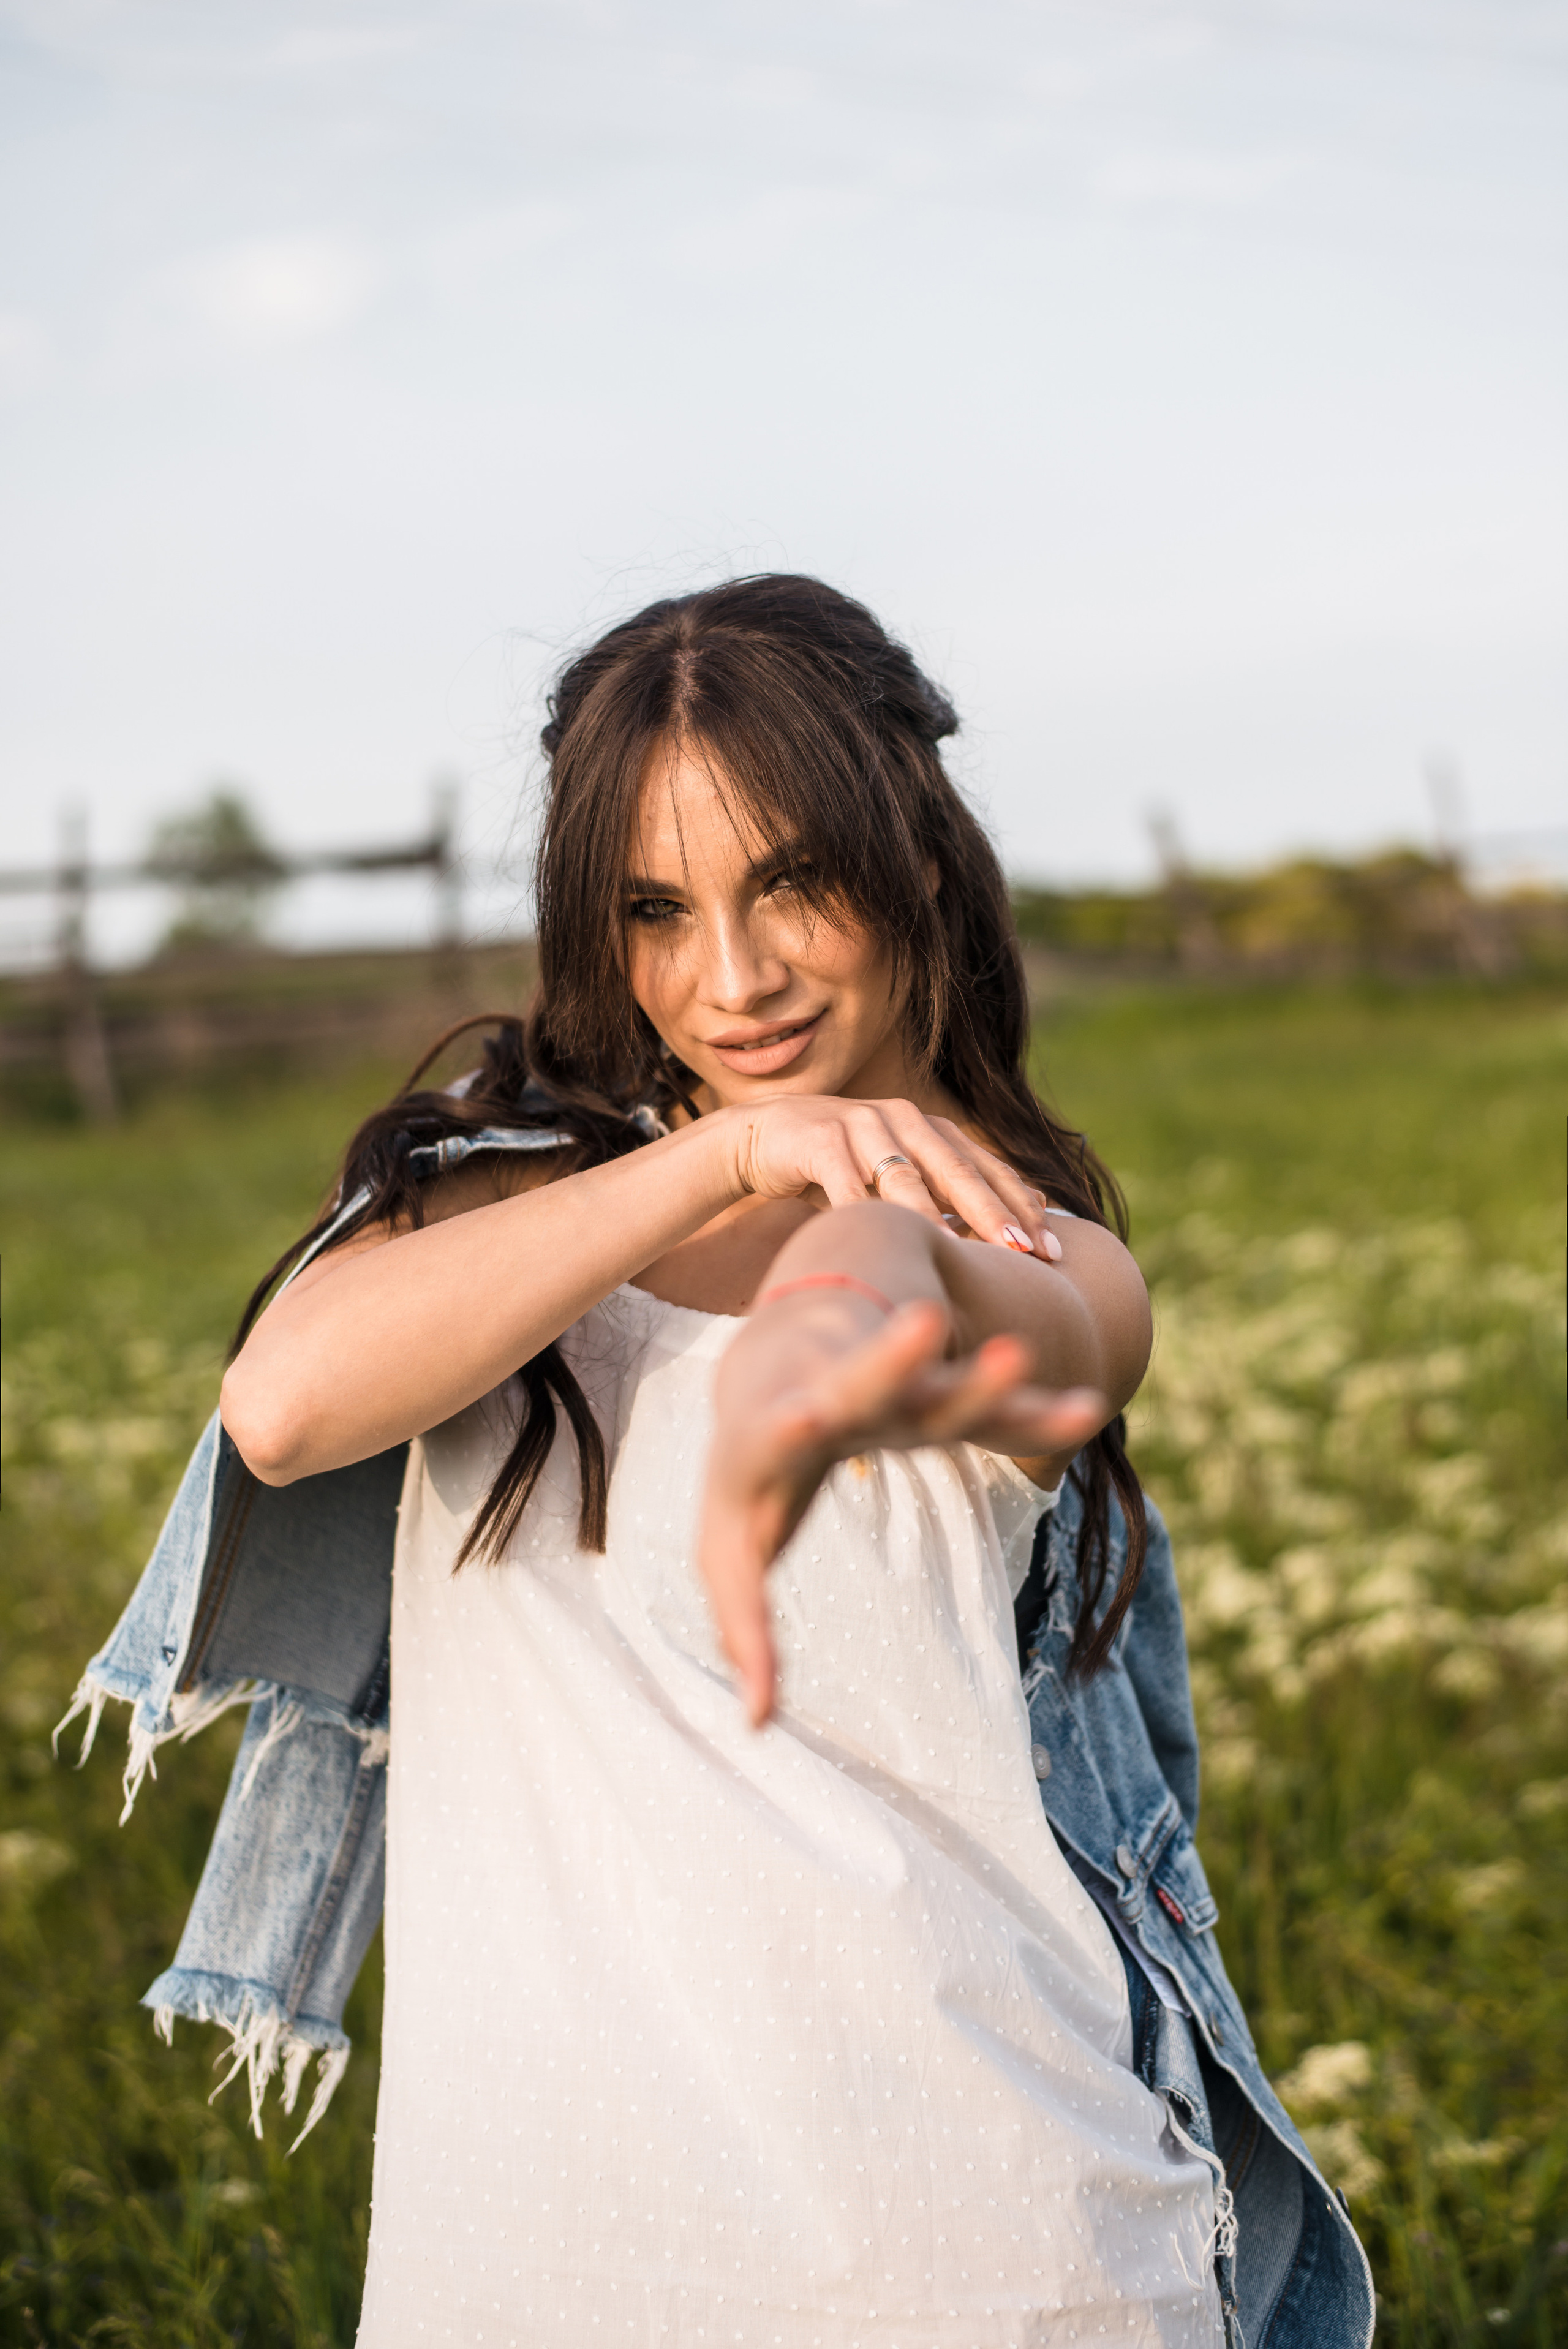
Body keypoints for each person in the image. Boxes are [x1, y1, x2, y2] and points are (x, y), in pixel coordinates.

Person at [63, 576, 1374, 2347]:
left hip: (996, 2249)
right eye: (657, 910)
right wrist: (723, 1161)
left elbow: (897, 1286)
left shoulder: (1047, 1250)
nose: (732, 977)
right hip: (542, 2261)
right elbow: (285, 1407)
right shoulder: (501, 1200)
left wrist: (811, 1359)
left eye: (791, 885)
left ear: (910, 852)